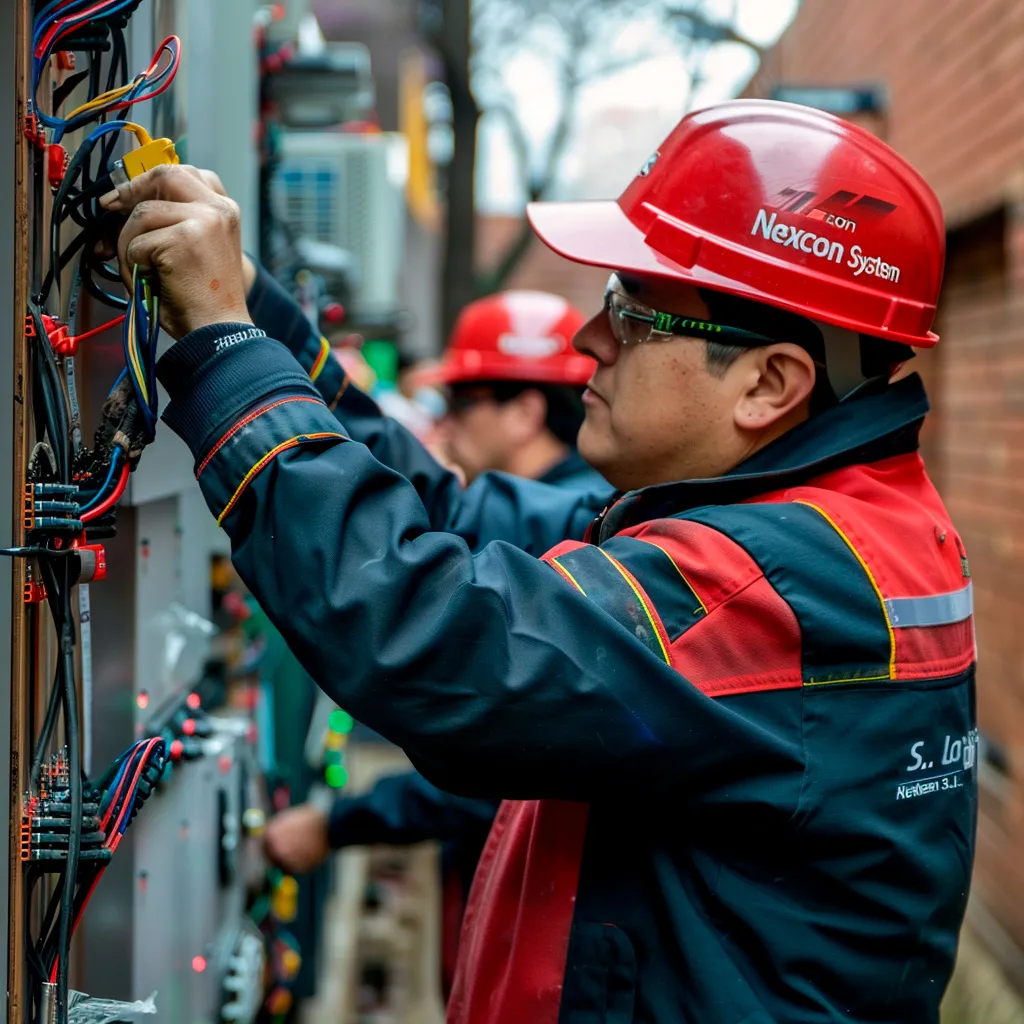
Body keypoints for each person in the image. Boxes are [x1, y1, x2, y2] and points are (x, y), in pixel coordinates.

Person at [104, 99, 976, 1023]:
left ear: (770, 385)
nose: (588, 341)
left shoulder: (765, 583)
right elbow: (460, 521)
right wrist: (250, 309)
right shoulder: (803, 521)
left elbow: (436, 638)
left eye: (633, 314)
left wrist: (225, 353)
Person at [261, 288, 605, 996]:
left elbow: (491, 764)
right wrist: (260, 313)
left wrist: (341, 822)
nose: (445, 426)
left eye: (462, 406)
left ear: (525, 411)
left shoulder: (582, 556)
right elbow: (427, 492)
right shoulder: (562, 513)